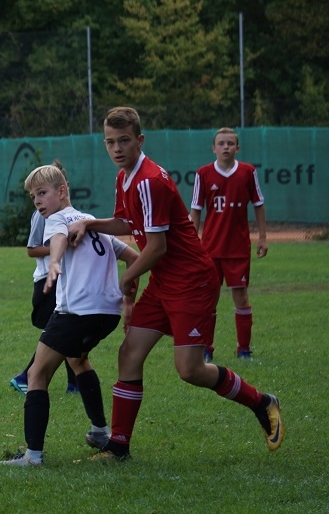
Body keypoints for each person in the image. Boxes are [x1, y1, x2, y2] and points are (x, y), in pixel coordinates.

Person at [69, 106, 282, 461]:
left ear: (140, 140)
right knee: (129, 353)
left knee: (190, 370)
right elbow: (126, 222)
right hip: (164, 280)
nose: (117, 148)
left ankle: (262, 402)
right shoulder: (124, 178)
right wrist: (89, 223)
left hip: (191, 280)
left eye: (124, 141)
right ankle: (118, 446)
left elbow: (157, 247)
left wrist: (128, 277)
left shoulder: (149, 180)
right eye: (110, 142)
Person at [0, 163, 139, 466]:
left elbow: (59, 237)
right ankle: (100, 431)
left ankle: (33, 456)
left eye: (42, 193)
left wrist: (54, 261)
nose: (37, 201)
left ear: (62, 191)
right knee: (78, 360)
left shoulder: (57, 218)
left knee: (36, 374)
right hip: (107, 314)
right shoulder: (91, 222)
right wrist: (128, 301)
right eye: (33, 196)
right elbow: (133, 257)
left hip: (76, 312)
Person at [190, 127, 268, 362]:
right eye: (221, 143)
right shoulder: (203, 174)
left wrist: (262, 237)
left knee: (241, 297)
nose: (226, 147)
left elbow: (258, 204)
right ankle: (206, 348)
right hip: (210, 249)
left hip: (238, 249)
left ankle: (243, 350)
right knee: (208, 299)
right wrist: (192, 242)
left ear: (237, 148)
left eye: (230, 143)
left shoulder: (247, 172)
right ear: (213, 148)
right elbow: (196, 210)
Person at [8, 210, 79, 395]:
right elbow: (32, 249)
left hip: (65, 278)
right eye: (35, 196)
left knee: (68, 330)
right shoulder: (42, 214)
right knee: (60, 332)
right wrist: (60, 246)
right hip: (48, 280)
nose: (38, 200)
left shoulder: (72, 214)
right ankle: (25, 377)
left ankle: (74, 384)